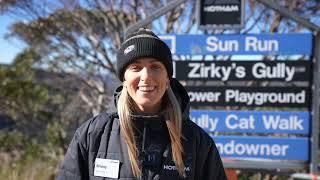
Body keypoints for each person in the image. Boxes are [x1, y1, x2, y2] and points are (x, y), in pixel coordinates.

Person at [56, 28, 227, 180]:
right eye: (136, 67)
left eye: (155, 67)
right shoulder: (92, 135)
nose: (146, 76)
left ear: (167, 78)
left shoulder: (198, 142)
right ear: (124, 78)